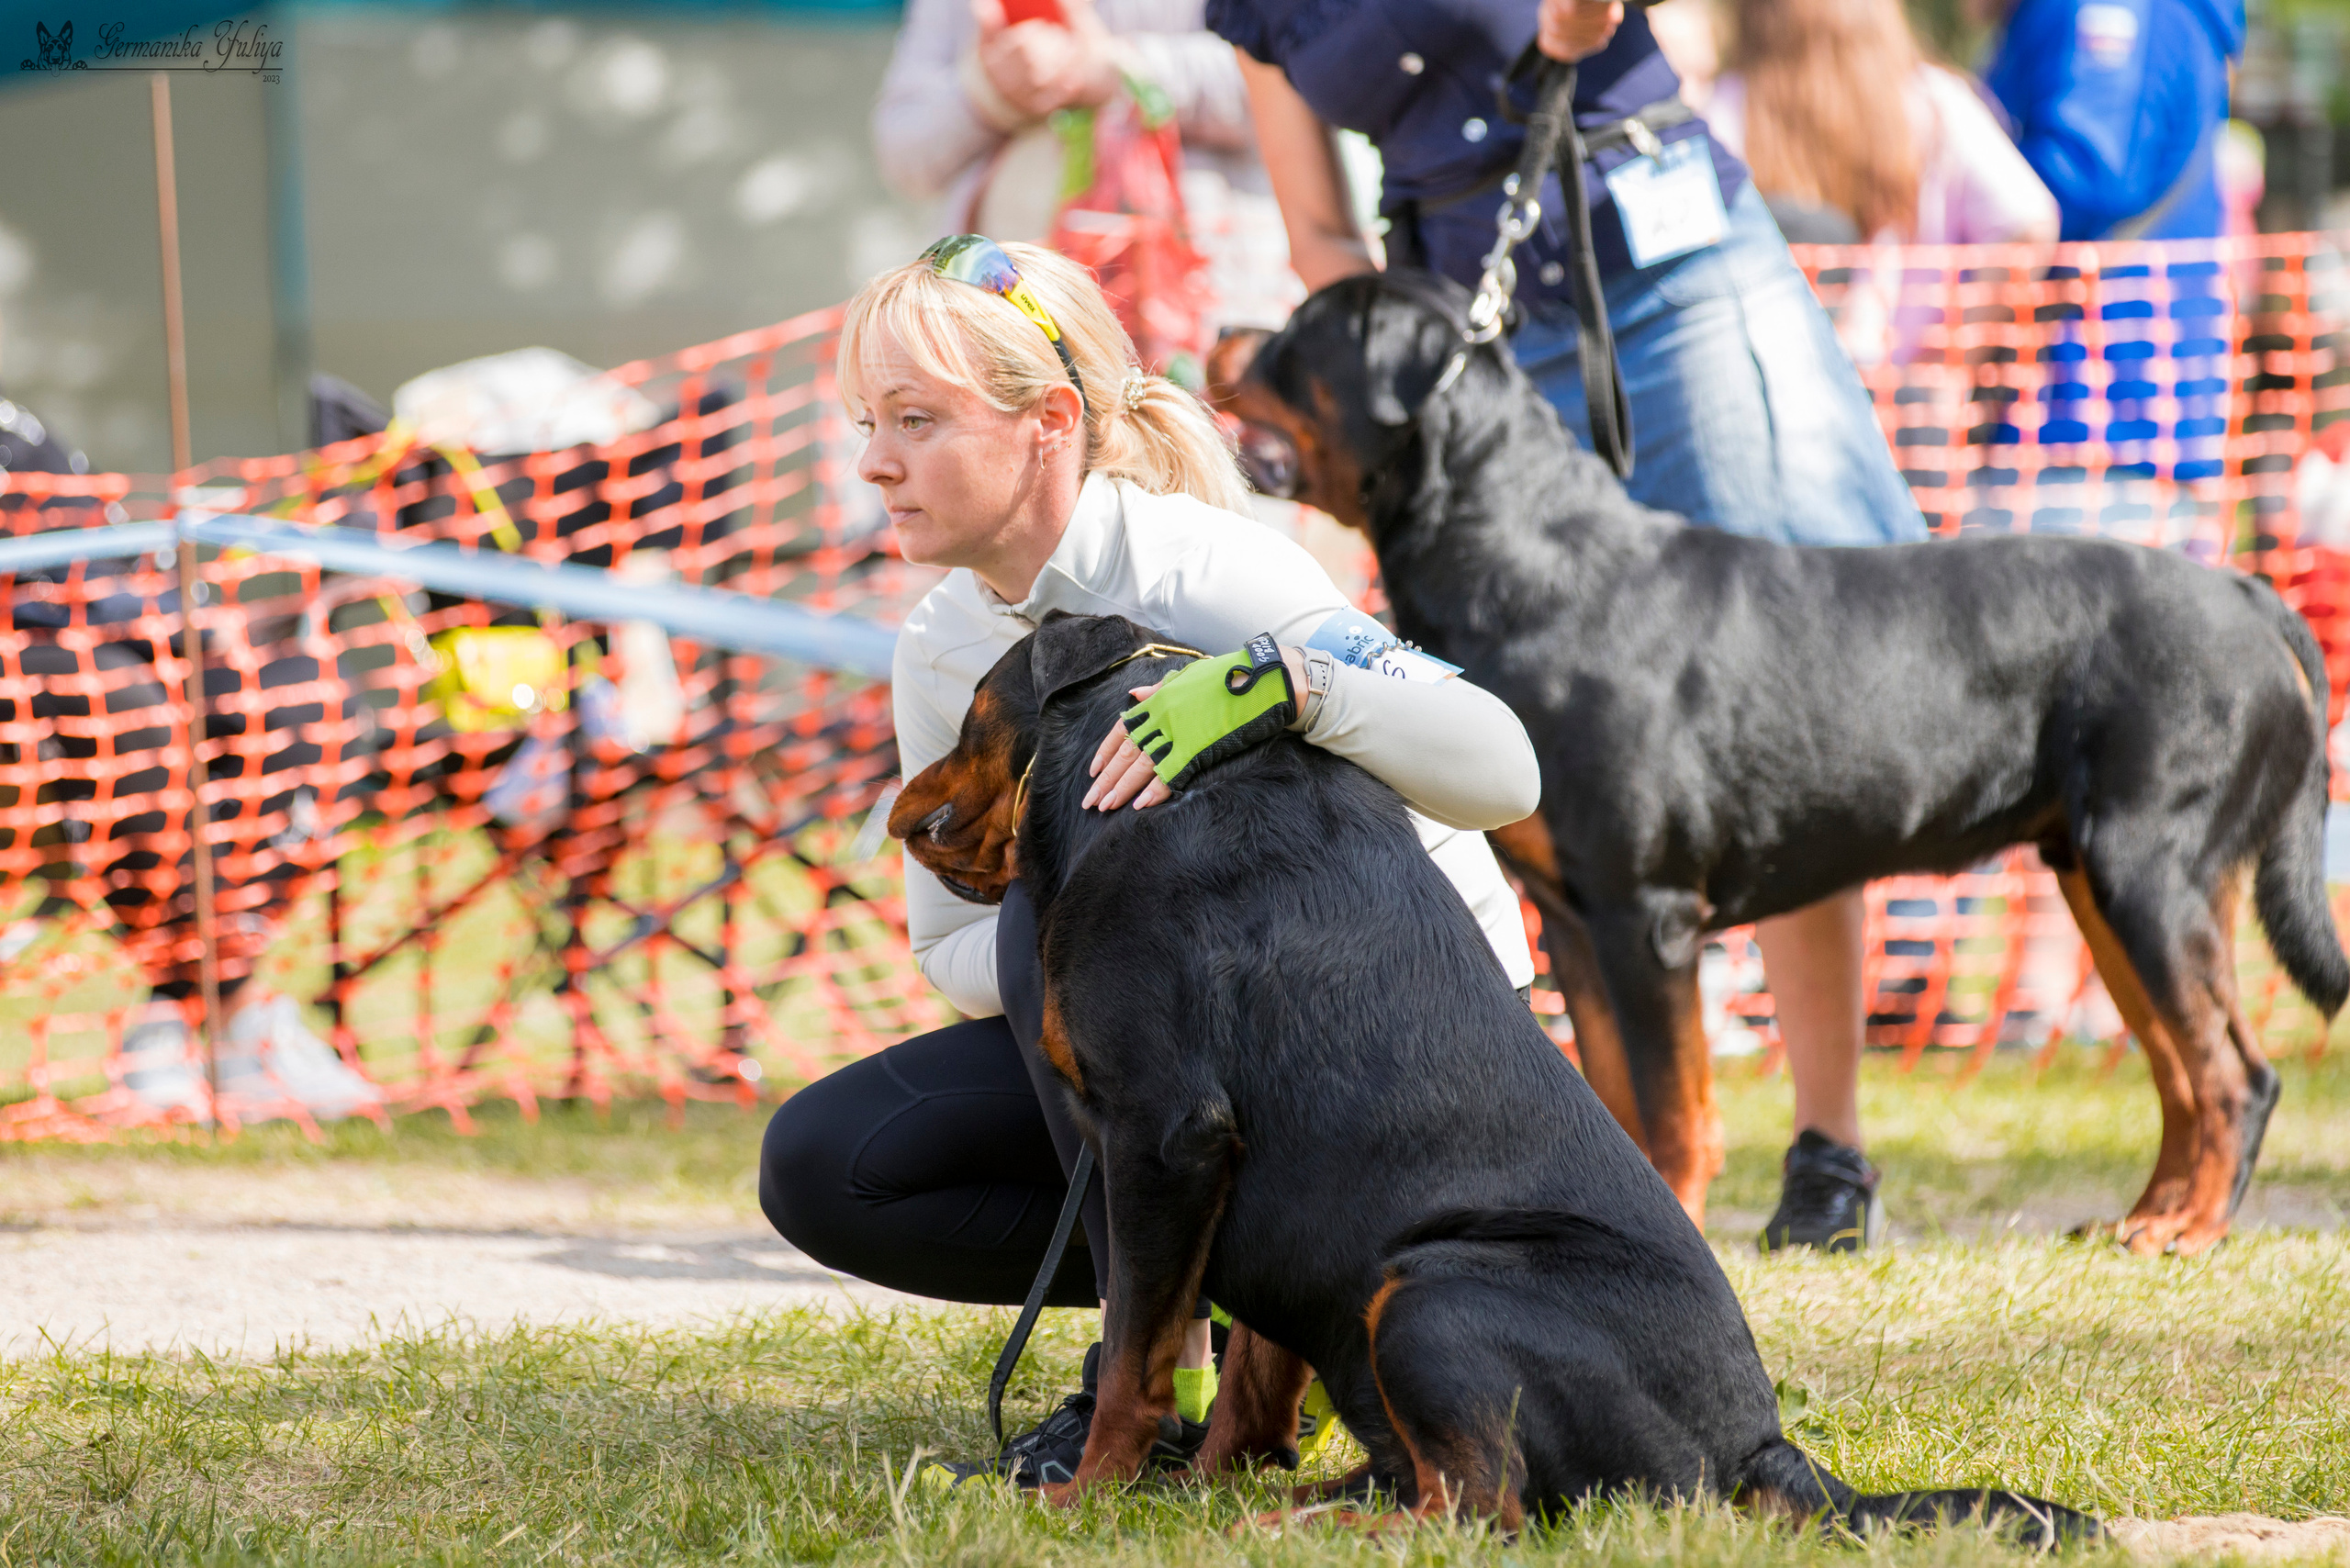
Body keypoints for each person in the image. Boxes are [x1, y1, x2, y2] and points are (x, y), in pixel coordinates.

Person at [758, 236, 1540, 1483]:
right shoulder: (940, 642)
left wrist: (1291, 688)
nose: (873, 463)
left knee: (1065, 926)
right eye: (866, 421)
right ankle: (1209, 1319)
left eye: (914, 419)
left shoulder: (1206, 570)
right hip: (1181, 1062)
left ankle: (1166, 1385)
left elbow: (1504, 766)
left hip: (1409, 1061)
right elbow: (953, 951)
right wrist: (1099, 898)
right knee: (825, 1165)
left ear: (1048, 424)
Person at [1208, 0, 1921, 1249]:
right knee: (1531, 751)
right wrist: (1416, 373)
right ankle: (1618, 1165)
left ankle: (1829, 1150)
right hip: (1474, 343)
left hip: (1671, 266)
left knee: (1798, 680)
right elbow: (1319, 229)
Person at [874, 0, 1302, 331]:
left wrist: (1116, 70)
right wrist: (985, 90)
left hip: (1199, 311)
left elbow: (1297, 85)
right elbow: (902, 152)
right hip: (1006, 323)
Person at [1706, 0, 2058, 245]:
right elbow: (2029, 221)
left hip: (1784, 348)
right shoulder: (1936, 100)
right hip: (1912, 351)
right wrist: (1964, 343)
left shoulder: (1729, 106)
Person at [1981, 0, 2243, 242]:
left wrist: (1964, 195)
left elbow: (2088, 174)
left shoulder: (2112, 7)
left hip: (2117, 286)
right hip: (2146, 281)